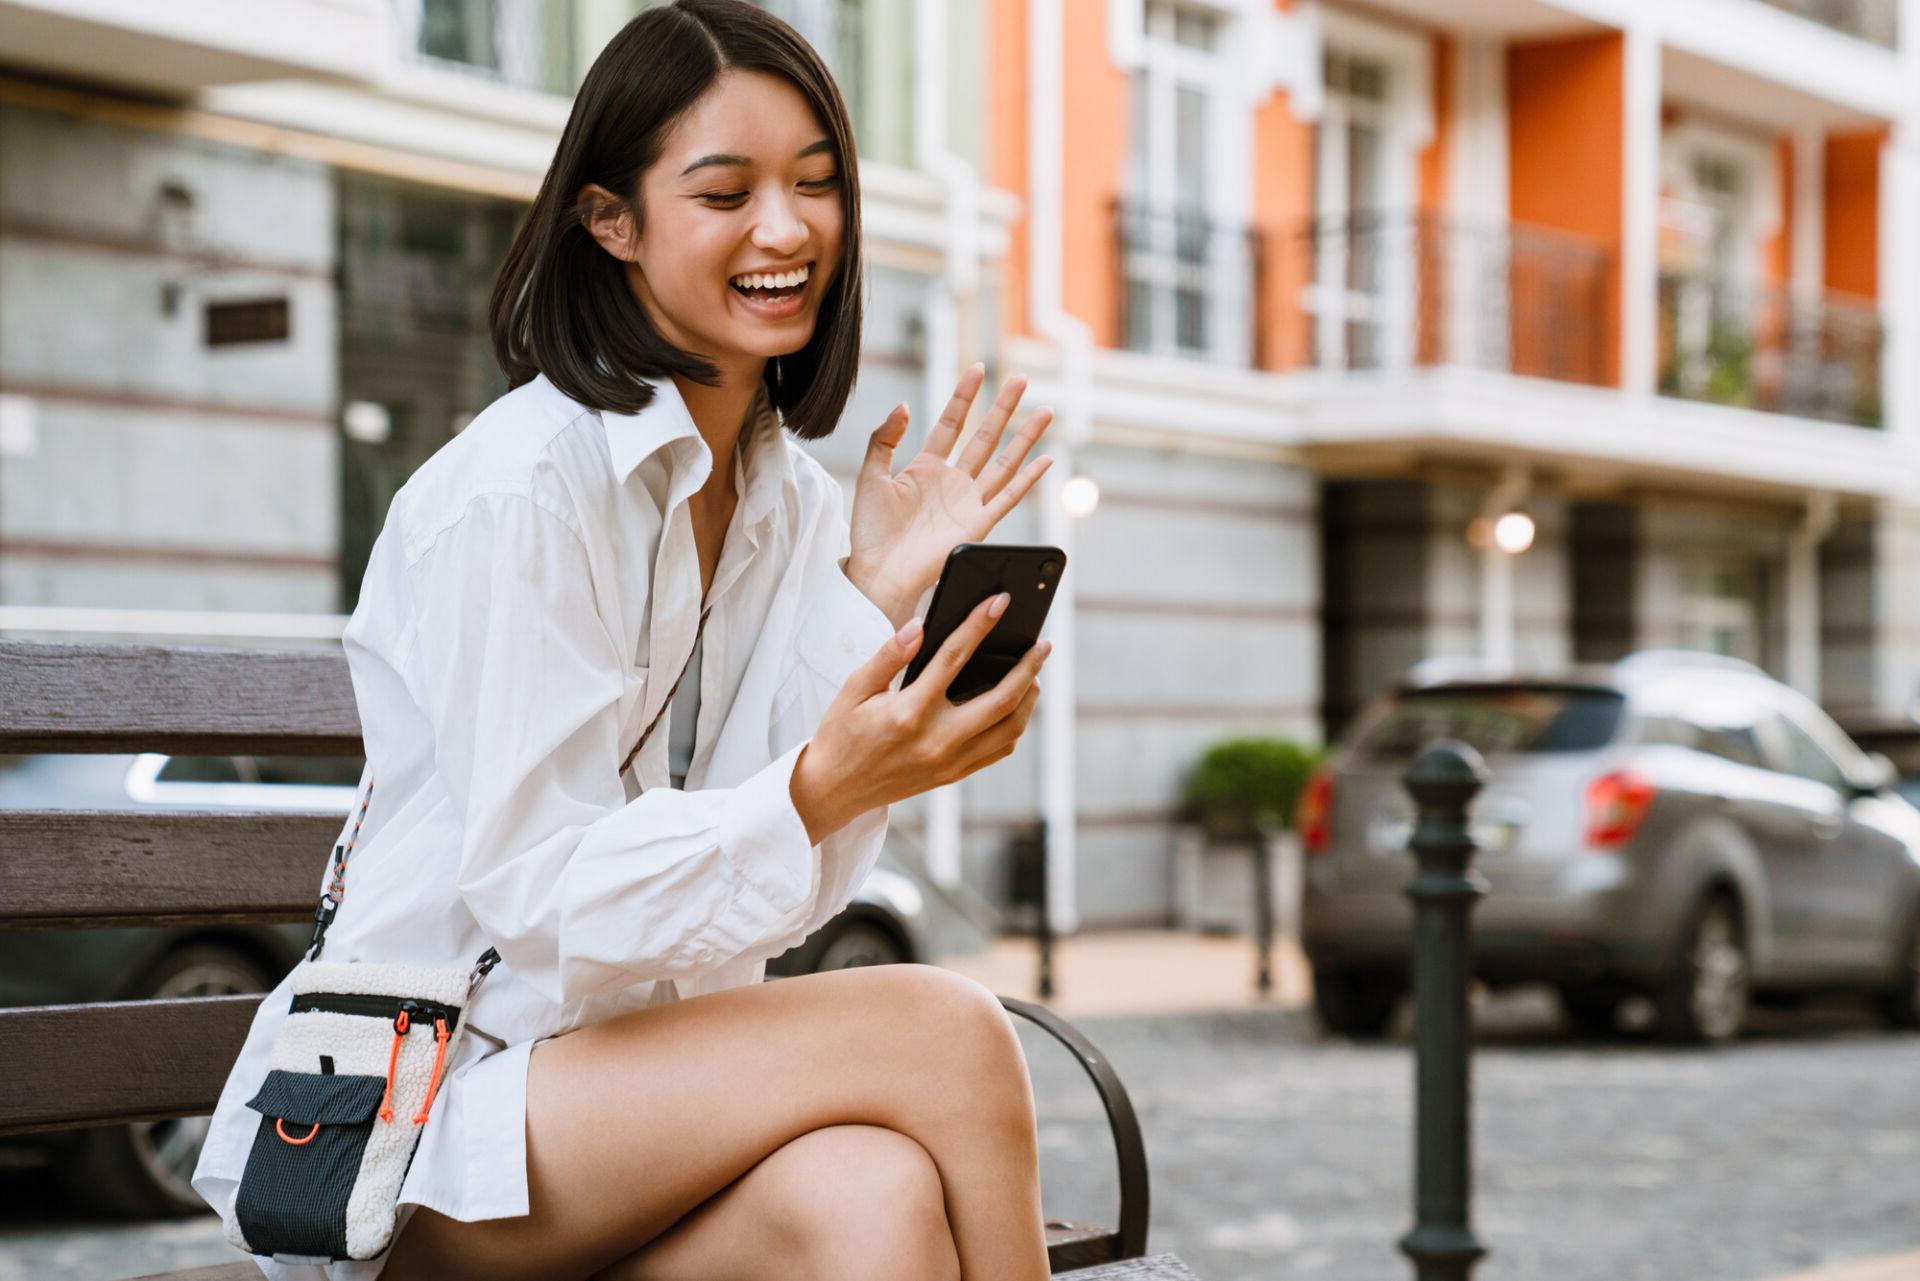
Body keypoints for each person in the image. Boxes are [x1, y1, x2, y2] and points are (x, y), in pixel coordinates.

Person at [190, 3, 1058, 1278]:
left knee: (870, 1196)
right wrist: (825, 786)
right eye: (727, 192)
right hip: (430, 1128)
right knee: (944, 1031)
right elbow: (546, 905)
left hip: (622, 1129)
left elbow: (772, 901)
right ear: (613, 220)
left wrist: (867, 599)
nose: (787, 229)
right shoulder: (520, 492)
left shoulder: (787, 505)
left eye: (817, 185)